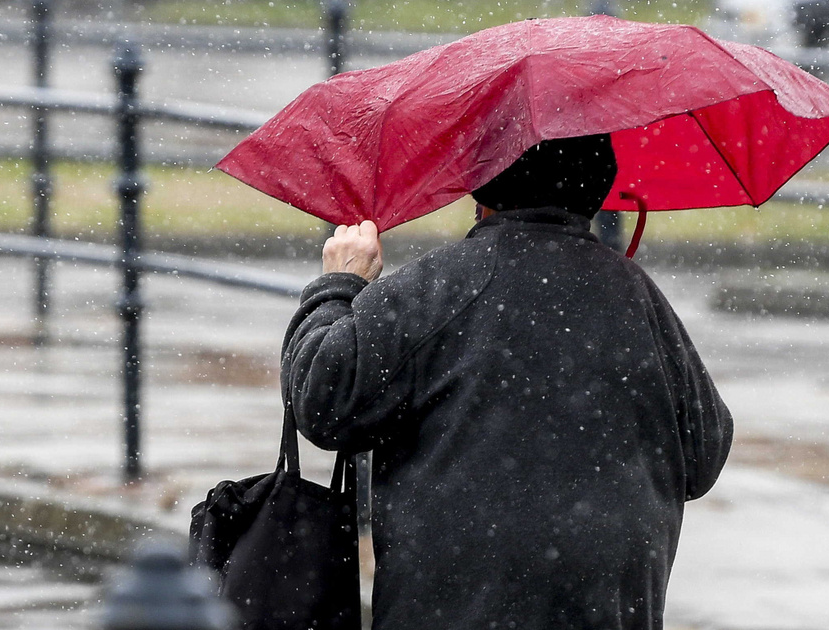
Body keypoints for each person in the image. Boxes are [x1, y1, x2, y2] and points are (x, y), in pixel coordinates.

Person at [279, 134, 733, 630]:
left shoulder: (438, 287)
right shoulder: (638, 297)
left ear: (482, 187)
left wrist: (340, 286)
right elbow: (704, 452)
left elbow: (322, 400)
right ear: (598, 190)